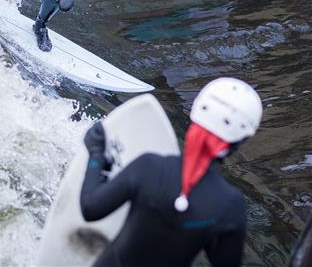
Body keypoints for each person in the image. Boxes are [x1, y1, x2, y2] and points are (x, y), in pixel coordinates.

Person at [78, 78, 262, 267]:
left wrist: (96, 153)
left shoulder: (149, 166)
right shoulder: (230, 204)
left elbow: (90, 208)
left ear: (195, 112)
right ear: (241, 140)